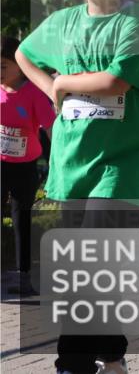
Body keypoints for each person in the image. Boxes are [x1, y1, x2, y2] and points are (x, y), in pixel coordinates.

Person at [16, 0, 139, 374]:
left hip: (122, 162)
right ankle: (113, 355)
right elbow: (24, 53)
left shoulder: (136, 21)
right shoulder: (63, 22)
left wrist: (62, 83)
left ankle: (72, 363)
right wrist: (49, 90)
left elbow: (116, 80)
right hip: (73, 157)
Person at [1, 36, 56, 295]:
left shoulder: (34, 92)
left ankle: (23, 275)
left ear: (21, 66)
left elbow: (51, 128)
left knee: (21, 217)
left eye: (2, 66)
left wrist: (58, 158)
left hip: (25, 165)